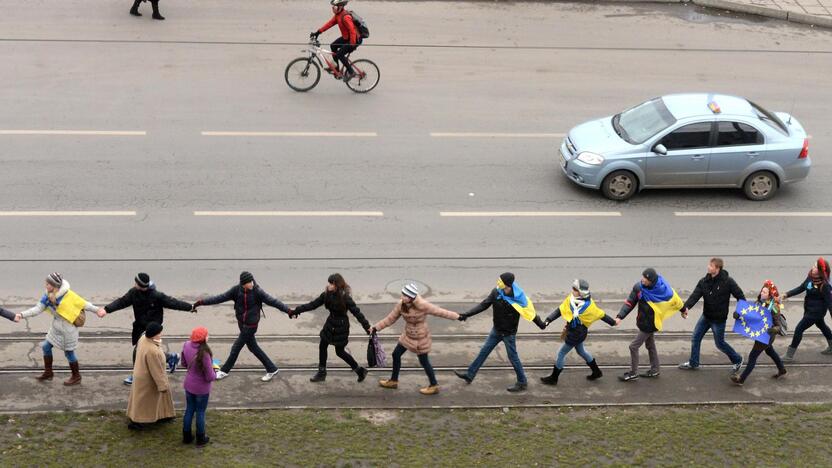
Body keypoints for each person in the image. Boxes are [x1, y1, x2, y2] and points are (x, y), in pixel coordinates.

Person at [454, 273, 546, 393]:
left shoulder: (519, 298)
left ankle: (522, 382)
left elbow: (531, 313)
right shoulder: (496, 292)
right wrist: (466, 314)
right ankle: (470, 375)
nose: (498, 284)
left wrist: (542, 325)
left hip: (509, 333)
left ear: (507, 284)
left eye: (501, 282)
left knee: (513, 358)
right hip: (496, 330)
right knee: (484, 351)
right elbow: (483, 305)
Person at [193, 271, 291, 381]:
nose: (251, 284)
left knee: (235, 348)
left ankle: (224, 371)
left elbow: (274, 301)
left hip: (251, 325)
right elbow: (218, 298)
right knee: (253, 347)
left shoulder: (257, 292)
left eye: (252, 281)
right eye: (249, 282)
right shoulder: (236, 290)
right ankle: (272, 368)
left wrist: (288, 311)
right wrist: (201, 302)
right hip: (242, 323)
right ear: (243, 284)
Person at [99, 273, 194, 385]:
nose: (134, 284)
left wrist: (190, 307)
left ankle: (137, 376)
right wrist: (107, 309)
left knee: (139, 350)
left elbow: (173, 303)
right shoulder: (133, 292)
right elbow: (122, 302)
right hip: (140, 325)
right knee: (150, 351)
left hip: (153, 327)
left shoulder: (156, 295)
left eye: (136, 282)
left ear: (140, 285)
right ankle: (170, 358)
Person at [371, 283, 459, 395]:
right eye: (402, 294)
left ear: (412, 298)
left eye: (405, 296)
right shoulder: (401, 304)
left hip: (420, 338)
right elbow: (390, 318)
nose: (402, 297)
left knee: (424, 361)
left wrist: (458, 316)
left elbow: (440, 312)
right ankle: (393, 381)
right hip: (408, 336)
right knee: (396, 354)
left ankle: (434, 385)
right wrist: (375, 328)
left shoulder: (423, 305)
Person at [16, 273, 99, 386]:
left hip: (68, 330)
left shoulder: (69, 295)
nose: (45, 285)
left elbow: (85, 304)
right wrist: (22, 314)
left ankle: (76, 376)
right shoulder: (47, 296)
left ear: (55, 286)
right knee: (46, 346)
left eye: (48, 283)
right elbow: (37, 309)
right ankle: (48, 372)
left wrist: (98, 310)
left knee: (69, 353)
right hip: (56, 328)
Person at [292, 273, 371, 383]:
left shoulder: (345, 297)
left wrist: (368, 328)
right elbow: (312, 305)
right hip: (330, 324)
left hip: (341, 327)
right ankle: (321, 373)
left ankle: (359, 370)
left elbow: (357, 313)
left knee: (339, 352)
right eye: (329, 283)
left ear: (337, 285)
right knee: (322, 345)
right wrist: (296, 311)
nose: (329, 285)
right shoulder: (326, 295)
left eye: (331, 283)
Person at [539, 279, 616, 385]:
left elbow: (601, 315)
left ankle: (554, 378)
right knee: (581, 351)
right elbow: (560, 310)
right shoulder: (571, 299)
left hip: (576, 334)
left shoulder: (589, 306)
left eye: (575, 289)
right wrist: (548, 320)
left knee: (561, 353)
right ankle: (596, 371)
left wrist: (613, 322)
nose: (572, 290)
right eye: (573, 288)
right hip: (576, 332)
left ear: (581, 292)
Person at [678, 258, 745, 374]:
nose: (708, 267)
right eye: (709, 265)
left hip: (718, 320)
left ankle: (738, 359)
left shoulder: (728, 282)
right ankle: (694, 362)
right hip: (706, 316)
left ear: (717, 268)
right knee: (695, 337)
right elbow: (695, 295)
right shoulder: (704, 281)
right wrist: (686, 308)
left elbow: (741, 297)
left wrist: (740, 312)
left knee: (720, 343)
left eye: (711, 265)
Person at [615, 268, 683, 382]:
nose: (642, 280)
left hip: (651, 324)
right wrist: (620, 316)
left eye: (645, 279)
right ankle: (655, 369)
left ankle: (633, 373)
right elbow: (630, 302)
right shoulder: (639, 288)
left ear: (651, 281)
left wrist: (684, 309)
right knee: (650, 345)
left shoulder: (662, 290)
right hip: (643, 321)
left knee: (633, 346)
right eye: (642, 277)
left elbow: (675, 300)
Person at [731, 280, 787, 385]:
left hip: (767, 336)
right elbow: (751, 316)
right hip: (762, 335)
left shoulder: (774, 307)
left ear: (770, 295)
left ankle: (741, 379)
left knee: (752, 356)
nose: (762, 293)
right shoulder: (758, 303)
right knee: (769, 351)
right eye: (762, 291)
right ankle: (782, 369)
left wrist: (774, 329)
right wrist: (739, 316)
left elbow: (778, 326)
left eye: (765, 292)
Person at [781, 257, 832, 361]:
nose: (812, 268)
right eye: (813, 265)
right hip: (809, 309)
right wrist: (786, 294)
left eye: (815, 267)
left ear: (821, 271)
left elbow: (830, 302)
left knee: (799, 329)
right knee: (821, 325)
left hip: (816, 312)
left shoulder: (825, 285)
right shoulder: (810, 278)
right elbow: (801, 288)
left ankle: (789, 355)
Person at [127, 322, 174, 430]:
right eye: (159, 332)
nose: (161, 334)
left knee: (153, 399)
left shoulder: (143, 338)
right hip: (147, 380)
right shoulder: (152, 350)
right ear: (154, 334)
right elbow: (156, 370)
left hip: (141, 374)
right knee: (144, 402)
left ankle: (163, 415)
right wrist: (162, 385)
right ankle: (137, 421)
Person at [180, 326, 216, 447]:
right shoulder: (204, 353)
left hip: (189, 385)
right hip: (201, 389)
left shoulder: (186, 344)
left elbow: (184, 363)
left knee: (189, 409)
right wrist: (215, 371)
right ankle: (201, 438)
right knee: (200, 412)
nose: (208, 336)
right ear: (203, 338)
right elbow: (210, 377)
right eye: (207, 335)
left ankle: (187, 436)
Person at [311, 0, 362, 81]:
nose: (333, 9)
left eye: (335, 7)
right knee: (333, 46)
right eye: (333, 7)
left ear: (340, 7)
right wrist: (318, 32)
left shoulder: (345, 17)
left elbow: (352, 30)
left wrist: (352, 44)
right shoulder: (338, 15)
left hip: (355, 39)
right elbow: (329, 24)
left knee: (340, 54)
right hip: (347, 38)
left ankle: (351, 72)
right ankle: (336, 68)